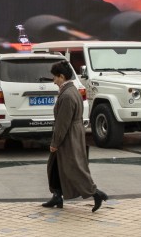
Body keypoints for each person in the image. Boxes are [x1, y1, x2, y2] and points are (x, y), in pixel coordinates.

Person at [42, 60, 108, 212]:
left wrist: (55, 143)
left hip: (68, 137)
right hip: (74, 134)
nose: (53, 81)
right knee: (55, 166)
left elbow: (62, 123)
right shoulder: (72, 91)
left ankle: (95, 193)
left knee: (74, 168)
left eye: (55, 77)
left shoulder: (67, 96)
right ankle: (57, 196)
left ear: (62, 77)